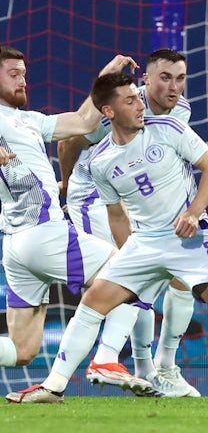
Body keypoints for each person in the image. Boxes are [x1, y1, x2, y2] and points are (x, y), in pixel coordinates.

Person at [6, 72, 208, 404]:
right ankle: (54, 386)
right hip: (144, 243)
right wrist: (128, 257)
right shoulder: (100, 161)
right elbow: (116, 215)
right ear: (108, 112)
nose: (140, 104)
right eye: (130, 100)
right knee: (94, 301)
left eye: (138, 98)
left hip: (191, 239)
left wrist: (193, 212)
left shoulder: (169, 129)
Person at [0, 46, 150, 394]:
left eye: (24, 73)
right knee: (135, 273)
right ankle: (106, 359)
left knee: (22, 351)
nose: (23, 80)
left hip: (18, 246)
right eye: (13, 74)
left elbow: (83, 122)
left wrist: (105, 78)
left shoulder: (28, 119)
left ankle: (92, 366)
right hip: (43, 232)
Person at [57, 48, 199, 397]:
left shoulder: (180, 110)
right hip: (96, 198)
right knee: (125, 275)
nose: (174, 87)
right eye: (165, 78)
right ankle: (107, 363)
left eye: (180, 79)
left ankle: (161, 367)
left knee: (179, 276)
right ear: (146, 80)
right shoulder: (116, 110)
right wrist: (66, 184)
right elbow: (71, 139)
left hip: (140, 203)